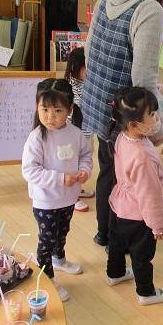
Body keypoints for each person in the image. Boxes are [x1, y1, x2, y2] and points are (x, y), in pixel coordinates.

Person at [81, 0, 163, 248]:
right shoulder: (150, 10)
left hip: (98, 102)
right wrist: (155, 128)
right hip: (127, 114)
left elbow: (89, 51)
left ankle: (103, 233)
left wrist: (100, 88)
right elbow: (143, 79)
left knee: (109, 171)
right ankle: (120, 240)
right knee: (130, 179)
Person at [22, 78, 93, 302]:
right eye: (44, 109)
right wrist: (61, 178)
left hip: (68, 198)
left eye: (57, 110)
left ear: (69, 110)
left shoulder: (75, 133)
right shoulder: (36, 138)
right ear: (37, 107)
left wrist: (84, 170)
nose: (50, 116)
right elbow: (30, 171)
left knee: (62, 232)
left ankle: (59, 259)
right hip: (45, 201)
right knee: (47, 239)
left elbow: (85, 155)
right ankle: (47, 278)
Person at [106, 87, 163, 305]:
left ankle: (114, 274)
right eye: (151, 115)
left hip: (118, 206)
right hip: (138, 216)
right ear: (134, 124)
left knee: (116, 245)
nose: (156, 118)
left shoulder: (124, 137)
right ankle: (146, 293)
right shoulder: (143, 156)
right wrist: (158, 226)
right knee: (142, 256)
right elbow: (150, 196)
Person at [64, 47, 95, 212]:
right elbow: (83, 105)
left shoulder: (81, 82)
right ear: (77, 68)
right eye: (86, 67)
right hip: (76, 134)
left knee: (84, 162)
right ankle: (73, 197)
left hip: (85, 131)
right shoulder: (74, 86)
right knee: (75, 164)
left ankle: (77, 190)